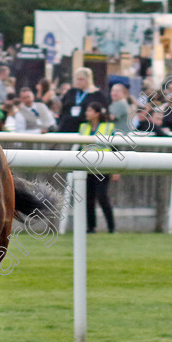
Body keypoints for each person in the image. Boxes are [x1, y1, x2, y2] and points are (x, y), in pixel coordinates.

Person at [79, 101, 115, 233]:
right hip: (87, 167)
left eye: (89, 110)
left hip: (103, 167)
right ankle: (91, 227)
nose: (86, 113)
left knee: (102, 196)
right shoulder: (83, 127)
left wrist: (116, 169)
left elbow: (115, 147)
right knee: (88, 198)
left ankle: (111, 227)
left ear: (97, 113)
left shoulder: (108, 127)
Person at [57, 67, 107, 132]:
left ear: (88, 79)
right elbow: (63, 109)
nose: (78, 82)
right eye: (76, 79)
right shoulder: (71, 92)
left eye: (81, 79)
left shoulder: (97, 95)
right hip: (67, 126)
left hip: (85, 127)